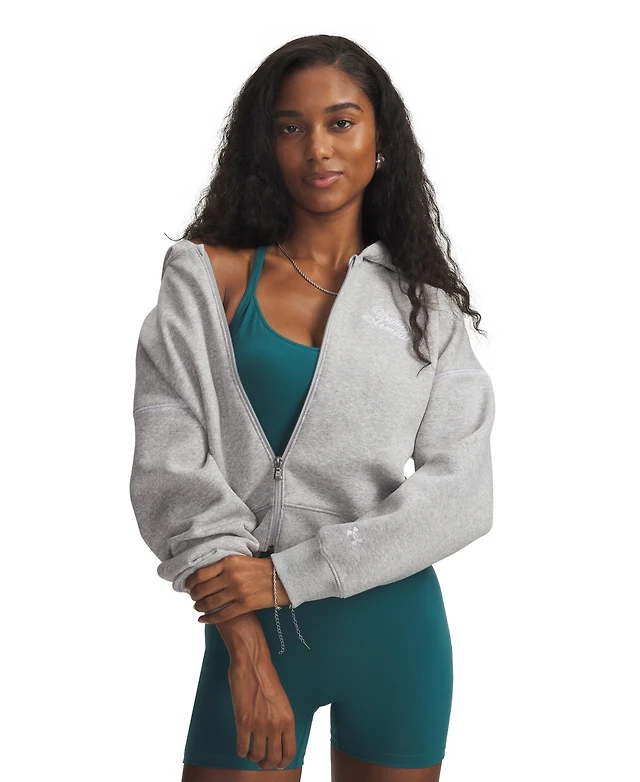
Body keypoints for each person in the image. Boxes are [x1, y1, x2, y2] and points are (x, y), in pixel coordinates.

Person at [129, 34, 495, 780]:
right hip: (249, 632)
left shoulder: (427, 309)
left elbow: (464, 494)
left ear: (380, 139)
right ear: (265, 145)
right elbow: (171, 471)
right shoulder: (208, 277)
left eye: (341, 122)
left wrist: (287, 576)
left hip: (397, 634)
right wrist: (245, 646)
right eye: (290, 126)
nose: (317, 148)